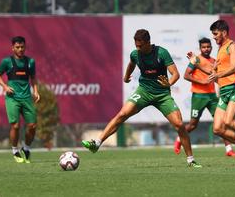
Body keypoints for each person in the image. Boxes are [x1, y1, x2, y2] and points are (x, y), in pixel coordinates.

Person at [82, 29, 202, 167]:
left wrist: (169, 83)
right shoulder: (135, 54)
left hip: (162, 95)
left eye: (140, 45)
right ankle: (97, 143)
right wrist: (126, 77)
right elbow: (131, 64)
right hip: (144, 91)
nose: (137, 48)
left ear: (148, 43)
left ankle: (191, 160)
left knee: (179, 125)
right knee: (122, 114)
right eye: (136, 45)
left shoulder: (161, 53)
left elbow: (175, 74)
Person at [189, 20, 235, 166]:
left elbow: (234, 67)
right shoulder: (220, 49)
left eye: (215, 34)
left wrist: (218, 75)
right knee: (217, 129)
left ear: (224, 32)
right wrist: (196, 62)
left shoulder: (233, 46)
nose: (214, 37)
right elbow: (213, 73)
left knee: (229, 122)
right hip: (224, 92)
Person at [173, 37, 235, 157]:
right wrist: (202, 82)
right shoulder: (196, 60)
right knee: (193, 125)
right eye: (204, 47)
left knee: (222, 123)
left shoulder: (214, 61)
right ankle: (179, 139)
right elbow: (186, 75)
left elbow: (218, 76)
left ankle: (229, 149)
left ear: (211, 47)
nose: (206, 49)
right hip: (198, 96)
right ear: (200, 48)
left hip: (212, 96)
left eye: (208, 47)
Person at [0, 36, 40, 163]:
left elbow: (33, 77)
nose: (20, 49)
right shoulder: (6, 62)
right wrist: (5, 87)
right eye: (17, 47)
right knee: (15, 126)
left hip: (27, 98)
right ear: (12, 48)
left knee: (32, 126)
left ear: (25, 47)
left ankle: (26, 148)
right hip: (12, 98)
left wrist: (36, 91)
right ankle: (15, 150)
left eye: (22, 47)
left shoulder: (31, 61)